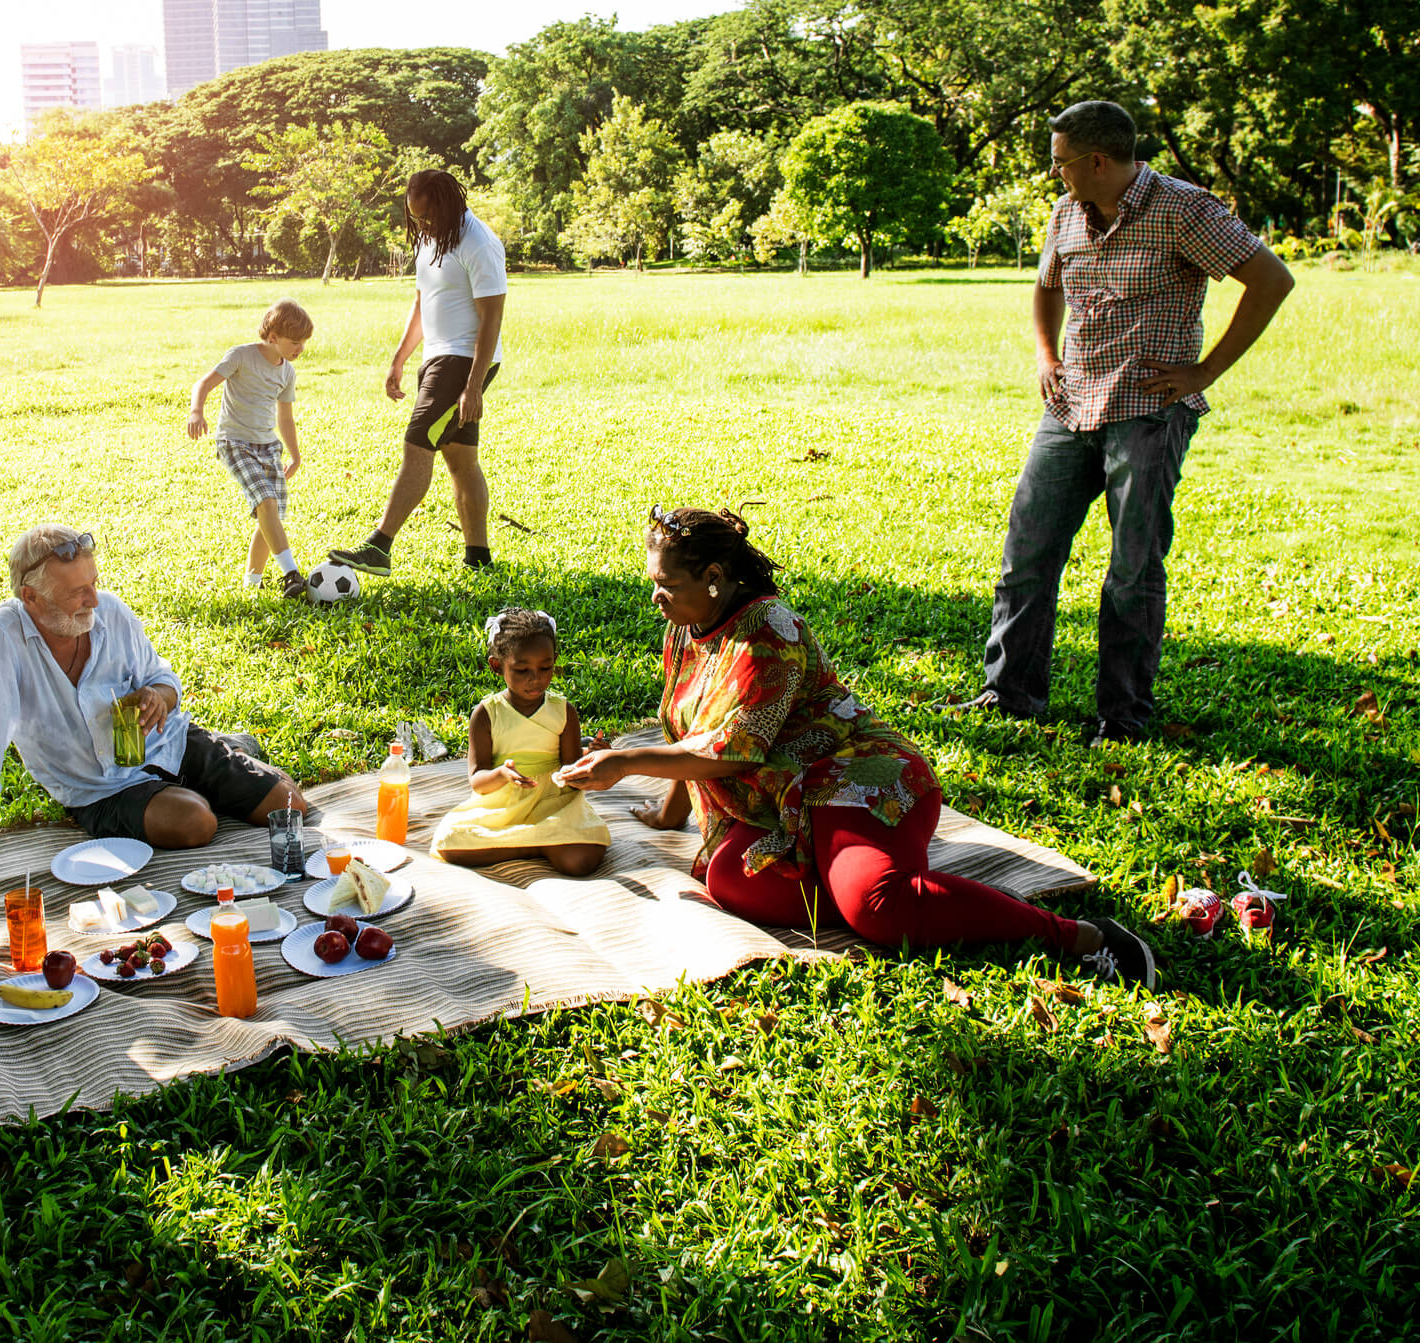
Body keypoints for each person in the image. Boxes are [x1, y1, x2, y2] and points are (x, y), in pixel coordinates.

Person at [558, 507, 1156, 986]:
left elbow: (735, 750)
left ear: (714, 580)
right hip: (784, 804)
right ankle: (880, 890)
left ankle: (1081, 936)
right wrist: (668, 815)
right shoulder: (688, 628)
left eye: (667, 584)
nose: (655, 597)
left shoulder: (769, 632)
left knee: (876, 907)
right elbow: (692, 730)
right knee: (730, 879)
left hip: (855, 780)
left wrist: (625, 761)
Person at [973, 100, 1294, 745]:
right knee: (1028, 554)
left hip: (1147, 410)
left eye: (1063, 163)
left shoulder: (1184, 209)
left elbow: (1271, 280)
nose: (1056, 174)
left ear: (1097, 160)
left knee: (1132, 569)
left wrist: (1205, 372)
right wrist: (1045, 353)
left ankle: (1122, 719)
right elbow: (1047, 283)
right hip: (1071, 405)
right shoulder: (1067, 211)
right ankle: (1009, 696)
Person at [0, 524, 307, 893]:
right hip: (100, 788)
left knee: (291, 807)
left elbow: (163, 678)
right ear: (30, 597)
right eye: (76, 593)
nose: (94, 600)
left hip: (167, 742)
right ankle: (219, 767)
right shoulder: (0, 641)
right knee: (196, 823)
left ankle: (223, 754)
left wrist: (157, 696)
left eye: (94, 583)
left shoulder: (110, 613)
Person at [328, 168, 507, 576]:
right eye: (416, 218)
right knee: (461, 460)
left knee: (417, 442)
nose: (422, 224)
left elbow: (492, 318)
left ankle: (380, 545)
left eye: (427, 216)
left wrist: (473, 386)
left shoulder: (478, 242)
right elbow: (423, 301)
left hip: (464, 360)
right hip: (438, 357)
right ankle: (479, 559)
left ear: (447, 204)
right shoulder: (431, 238)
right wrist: (400, 357)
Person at [430, 608, 611, 876]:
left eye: (545, 667)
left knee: (581, 859)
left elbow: (571, 770)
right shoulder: (486, 714)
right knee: (449, 843)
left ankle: (527, 842)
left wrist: (592, 757)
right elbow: (478, 781)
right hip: (503, 805)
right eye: (522, 669)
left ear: (555, 661)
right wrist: (502, 774)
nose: (535, 678)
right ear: (496, 665)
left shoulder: (563, 711)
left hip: (554, 801)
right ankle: (539, 844)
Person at [187, 297, 313, 599]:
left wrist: (295, 455)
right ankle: (291, 574)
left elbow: (285, 417)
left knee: (269, 517)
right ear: (273, 337)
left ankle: (252, 585)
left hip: (268, 446)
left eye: (304, 343)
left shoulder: (287, 373)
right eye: (295, 342)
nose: (300, 349)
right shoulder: (241, 357)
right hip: (234, 441)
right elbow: (203, 384)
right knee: (266, 502)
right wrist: (196, 411)